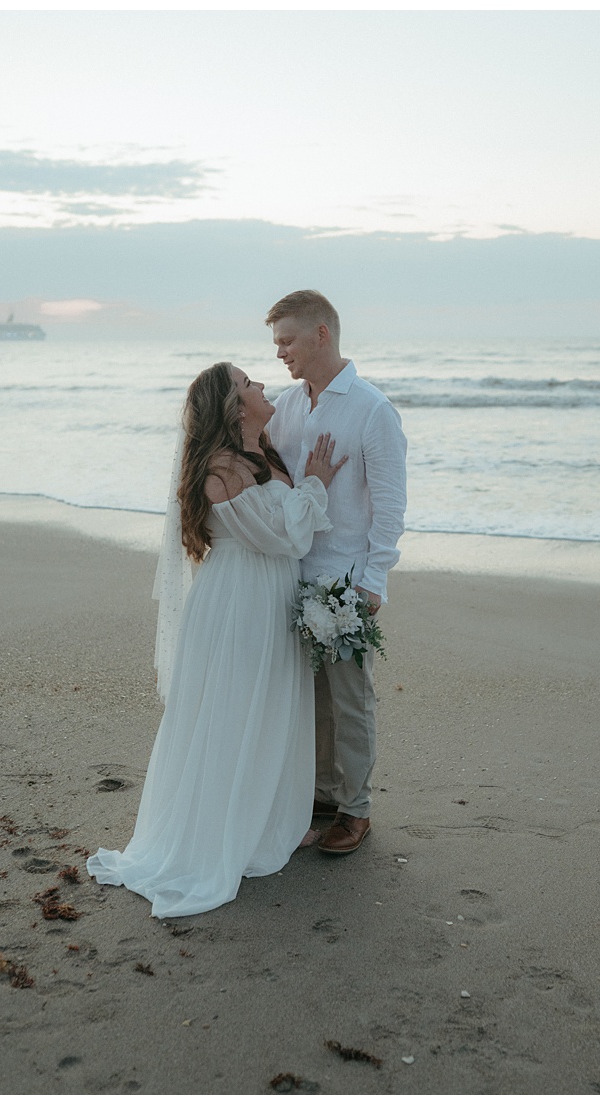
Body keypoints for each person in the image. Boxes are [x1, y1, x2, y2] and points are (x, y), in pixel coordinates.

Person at [87, 361, 346, 918]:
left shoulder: (264, 454)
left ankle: (264, 827)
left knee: (271, 707)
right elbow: (281, 538)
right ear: (233, 407)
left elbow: (282, 533)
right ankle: (222, 836)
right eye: (248, 384)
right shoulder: (221, 468)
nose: (259, 386)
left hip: (268, 595)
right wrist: (317, 483)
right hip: (239, 601)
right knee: (232, 712)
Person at [265, 290, 407, 855]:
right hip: (290, 571)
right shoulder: (287, 405)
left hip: (346, 579)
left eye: (288, 340)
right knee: (308, 697)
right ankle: (321, 795)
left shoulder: (373, 409)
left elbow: (391, 504)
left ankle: (355, 809)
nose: (280, 353)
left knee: (350, 697)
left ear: (322, 334)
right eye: (277, 342)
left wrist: (376, 579)